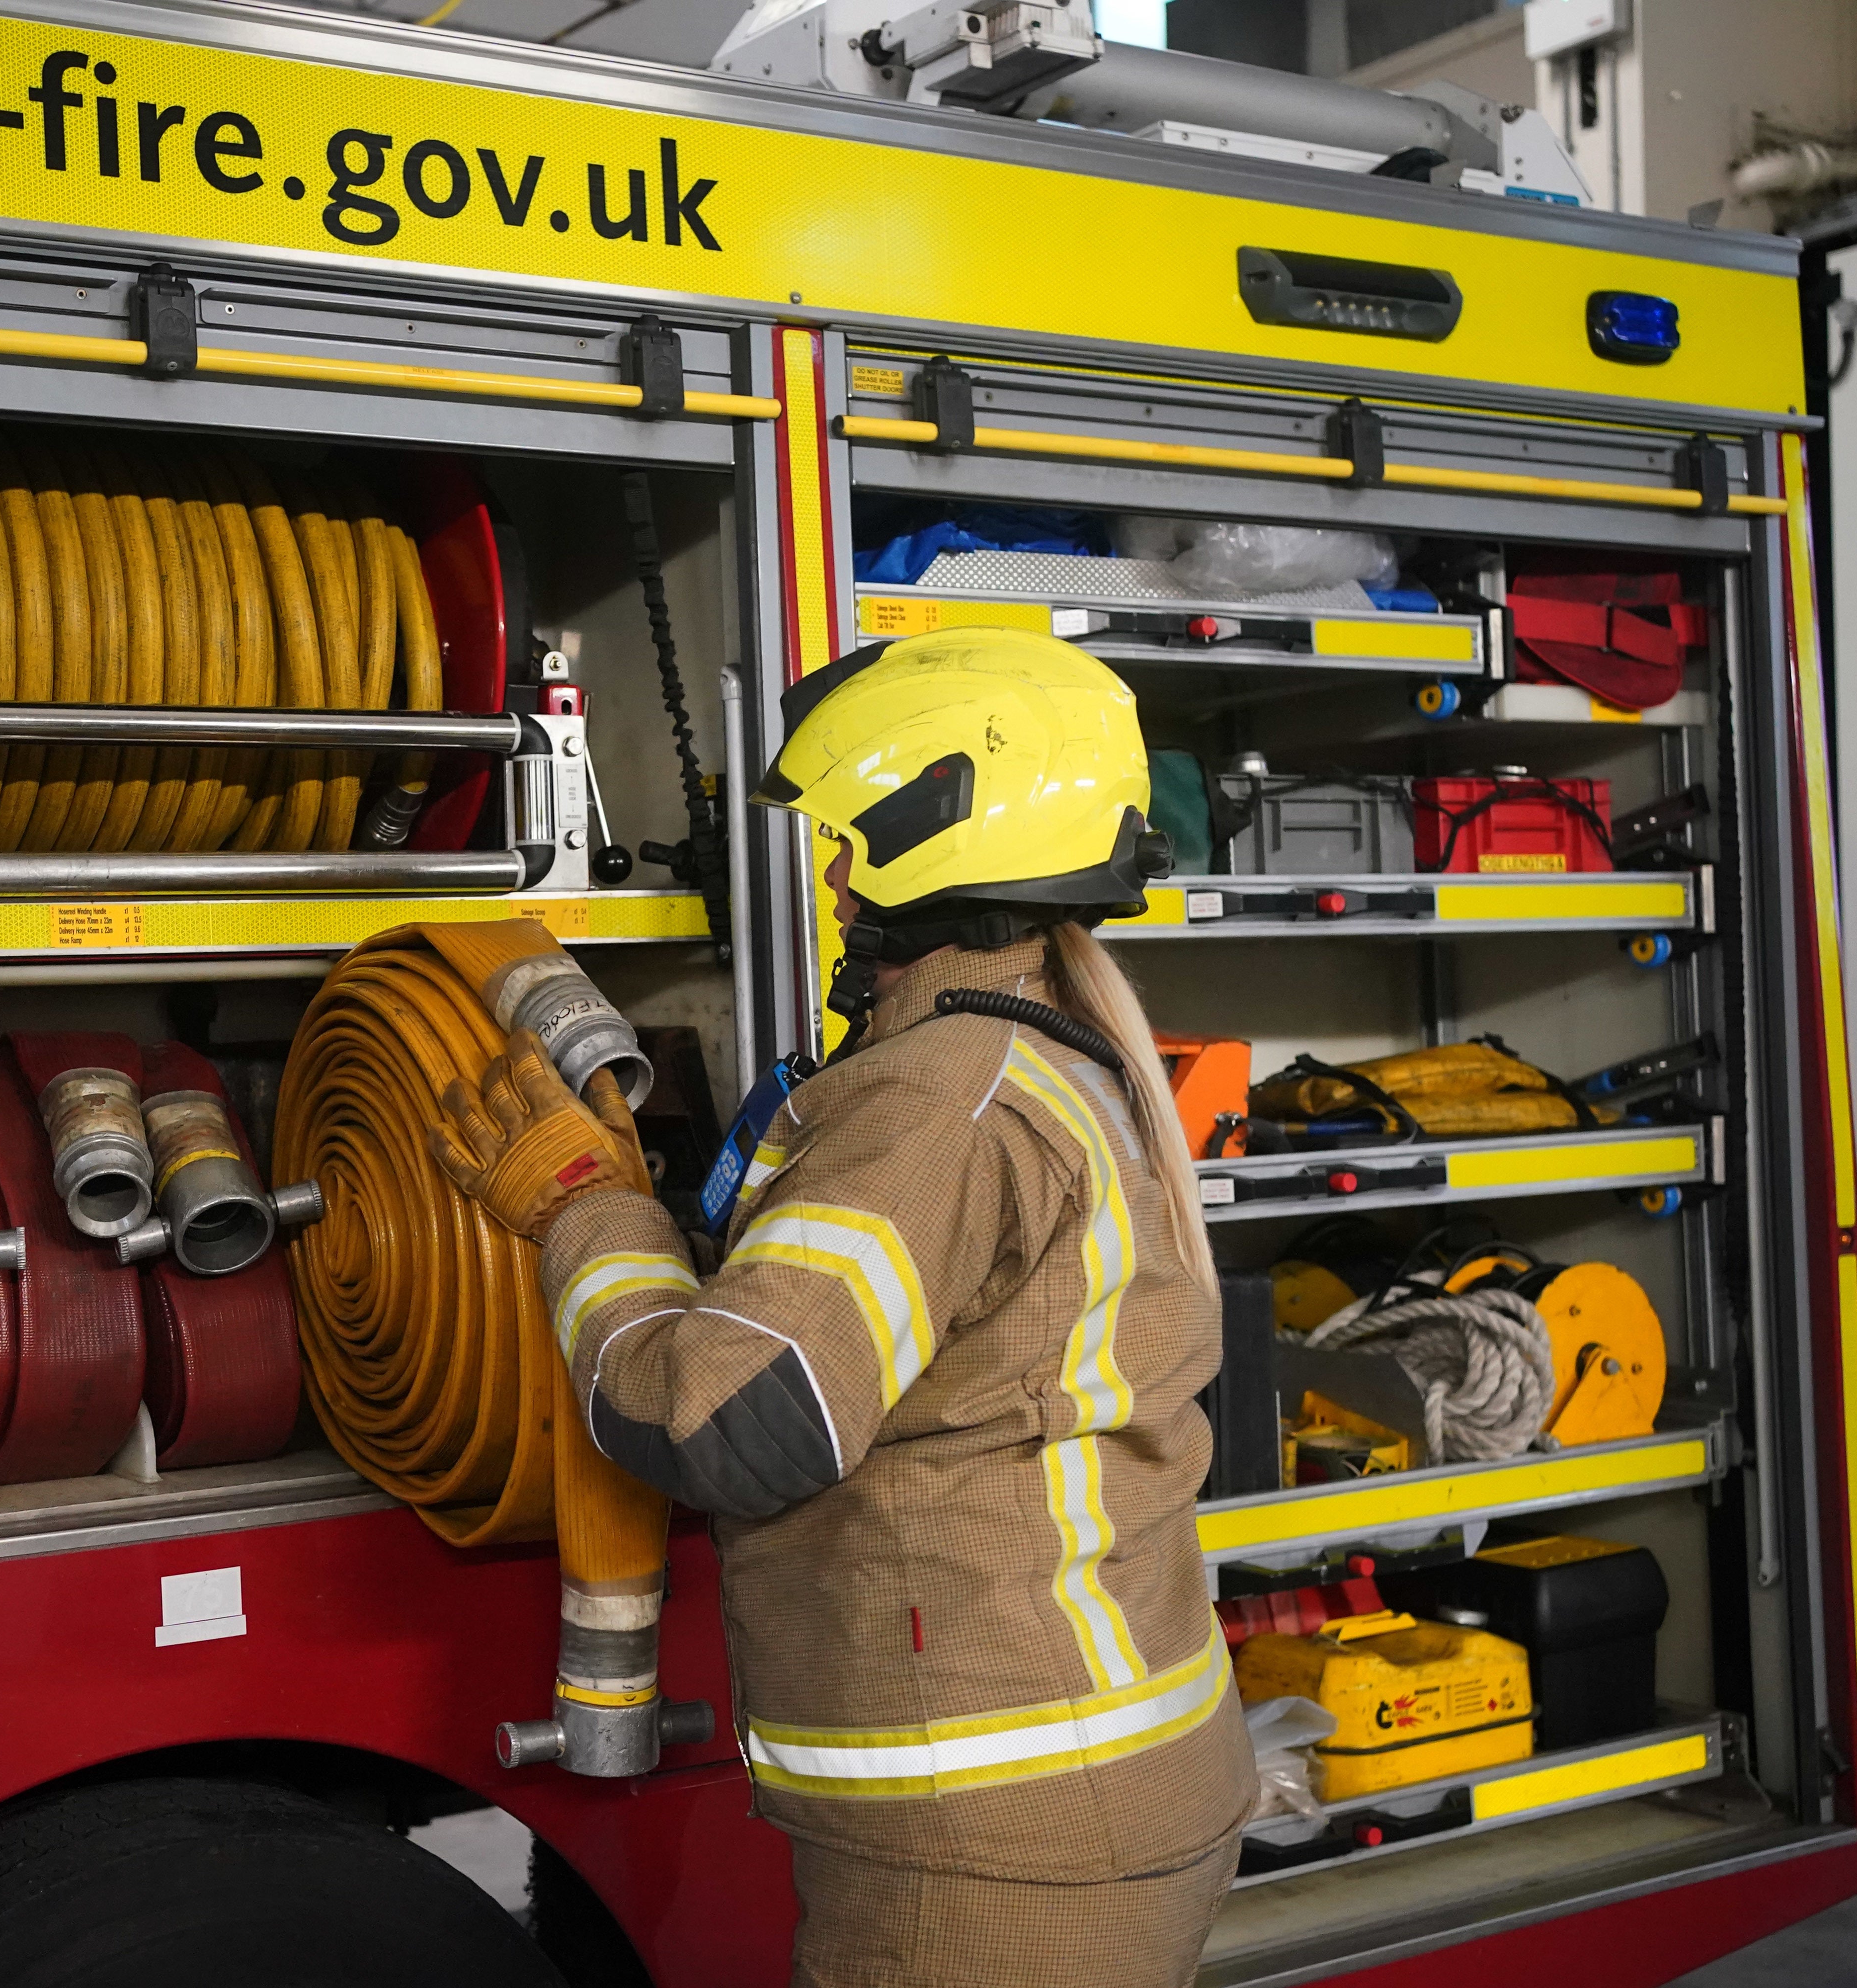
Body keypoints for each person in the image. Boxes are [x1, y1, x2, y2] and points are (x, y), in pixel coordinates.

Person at [432, 627, 1258, 1988]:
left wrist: (580, 1204)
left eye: (847, 841)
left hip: (1003, 1833)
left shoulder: (940, 1100)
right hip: (1080, 1785)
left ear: (933, 844)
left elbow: (732, 1422)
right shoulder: (1033, 1052)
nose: (825, 873)